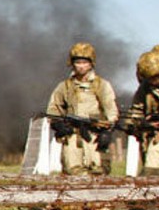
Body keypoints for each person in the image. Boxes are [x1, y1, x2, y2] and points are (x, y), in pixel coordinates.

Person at [46, 42, 119, 176]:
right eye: (78, 62)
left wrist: (108, 131)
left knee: (98, 171)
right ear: (72, 64)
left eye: (85, 62)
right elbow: (53, 109)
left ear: (91, 64)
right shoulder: (65, 86)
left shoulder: (101, 85)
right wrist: (58, 125)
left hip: (95, 136)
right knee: (72, 172)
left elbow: (111, 110)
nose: (81, 66)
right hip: (73, 137)